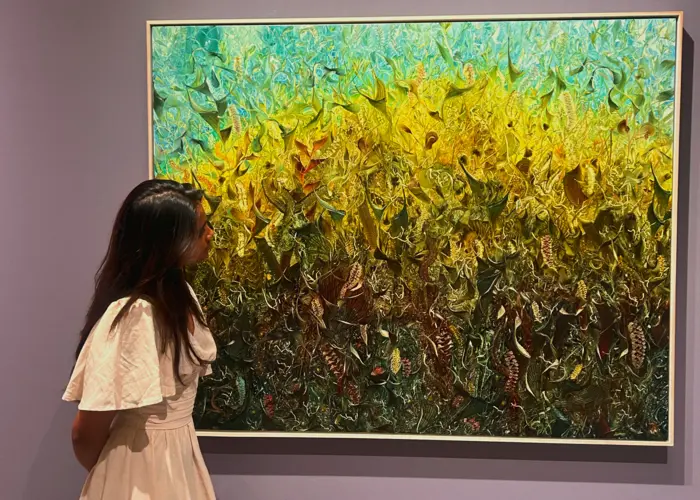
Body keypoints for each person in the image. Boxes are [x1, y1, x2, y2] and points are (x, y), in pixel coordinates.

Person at [63, 179, 217, 499]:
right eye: (201, 229)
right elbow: (84, 434)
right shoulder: (135, 317)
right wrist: (116, 474)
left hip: (180, 463)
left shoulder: (182, 296)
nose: (210, 234)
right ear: (169, 242)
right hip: (136, 473)